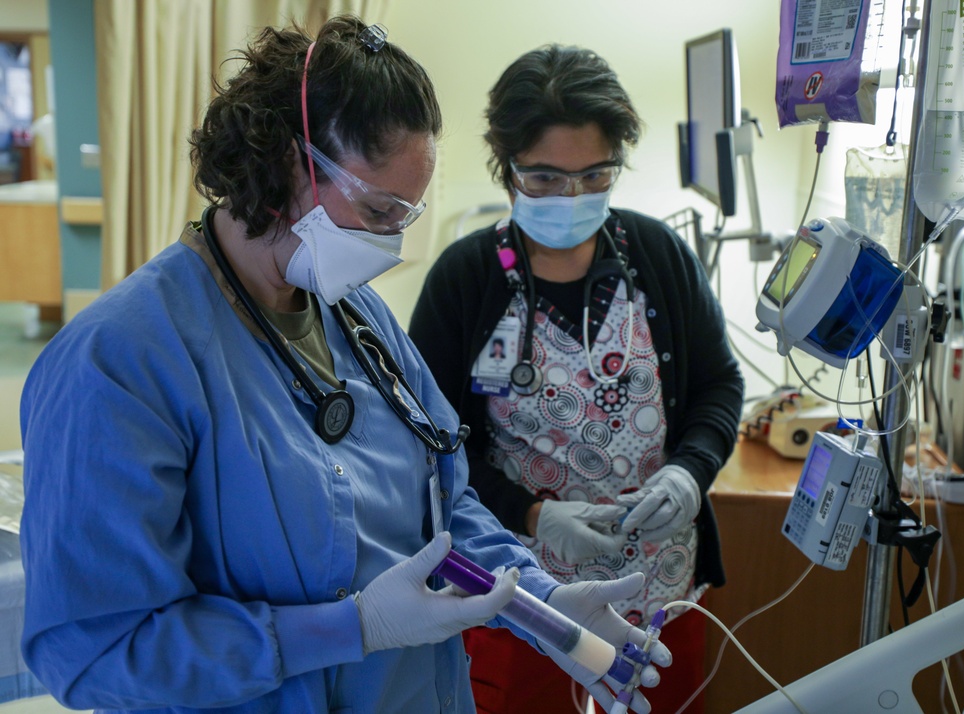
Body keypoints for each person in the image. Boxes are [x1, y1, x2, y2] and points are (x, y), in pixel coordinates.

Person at [18, 19, 670, 714]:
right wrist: (348, 629)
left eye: (405, 216)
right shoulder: (120, 363)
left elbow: (444, 510)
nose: (391, 243)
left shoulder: (359, 319)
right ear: (287, 166)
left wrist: (542, 605)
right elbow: (96, 656)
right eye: (379, 210)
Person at [409, 44, 744, 714]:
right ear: (507, 170)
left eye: (594, 177)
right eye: (545, 179)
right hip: (525, 603)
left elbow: (718, 386)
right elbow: (426, 445)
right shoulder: (468, 278)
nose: (571, 196)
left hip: (661, 597)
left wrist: (690, 470)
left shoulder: (658, 257)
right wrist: (530, 515)